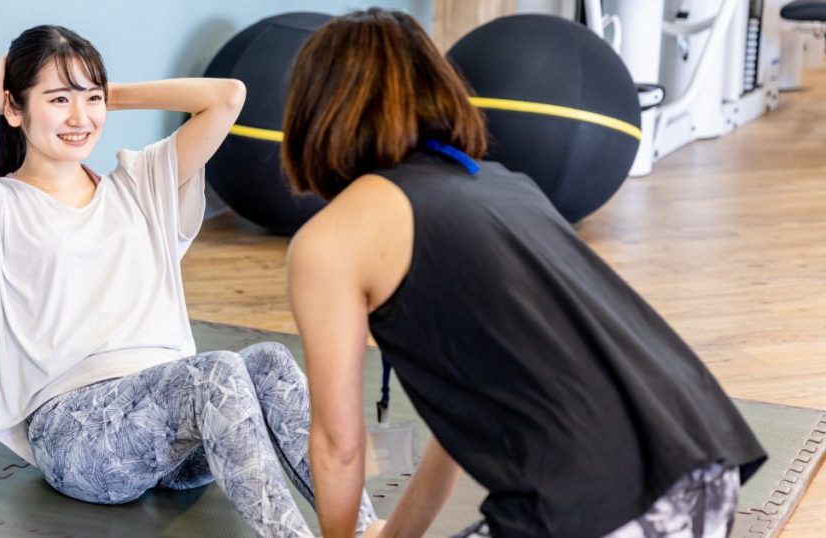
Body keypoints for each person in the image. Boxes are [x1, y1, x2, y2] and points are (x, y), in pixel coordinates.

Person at [282, 9, 766, 538]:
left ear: (315, 111)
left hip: (603, 512)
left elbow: (338, 446)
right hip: (702, 479)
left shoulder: (332, 240)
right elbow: (461, 430)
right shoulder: (501, 185)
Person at [0, 25, 377, 537]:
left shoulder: (141, 184)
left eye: (91, 99)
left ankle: (364, 530)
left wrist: (103, 96)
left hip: (175, 436)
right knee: (216, 371)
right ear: (13, 109)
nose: (80, 118)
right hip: (79, 439)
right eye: (58, 100)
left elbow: (227, 97)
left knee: (269, 362)